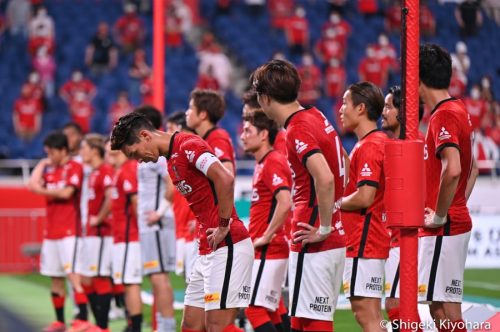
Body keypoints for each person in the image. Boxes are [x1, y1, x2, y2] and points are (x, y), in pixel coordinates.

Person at [110, 112, 253, 332]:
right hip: (206, 248)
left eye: (135, 153)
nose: (139, 161)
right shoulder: (170, 160)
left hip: (228, 245)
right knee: (190, 326)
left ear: (145, 135)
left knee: (217, 327)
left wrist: (224, 225)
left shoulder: (189, 145)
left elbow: (225, 178)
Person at [252, 59, 347, 332]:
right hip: (324, 235)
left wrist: (324, 227)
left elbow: (326, 177)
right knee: (300, 321)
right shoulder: (316, 115)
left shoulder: (297, 128)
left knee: (314, 322)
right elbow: (344, 161)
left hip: (314, 237)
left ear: (266, 98)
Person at [418, 43, 478, 331]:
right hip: (454, 221)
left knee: (441, 309)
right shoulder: (459, 109)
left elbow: (453, 168)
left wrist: (442, 214)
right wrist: (457, 205)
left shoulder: (443, 114)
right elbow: (474, 169)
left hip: (445, 226)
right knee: (446, 308)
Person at [338, 82, 390, 332]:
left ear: (360, 108)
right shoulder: (370, 142)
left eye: (345, 103)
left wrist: (334, 205)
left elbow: (365, 196)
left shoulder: (371, 145)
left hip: (364, 240)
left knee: (365, 313)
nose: (340, 109)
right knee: (371, 313)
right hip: (367, 238)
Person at [28, 131, 90, 332]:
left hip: (69, 231)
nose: (50, 156)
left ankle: (82, 319)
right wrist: (42, 163)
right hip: (51, 232)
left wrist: (43, 191)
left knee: (73, 275)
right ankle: (60, 321)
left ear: (63, 150)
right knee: (55, 277)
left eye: (52, 152)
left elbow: (66, 193)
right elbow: (31, 184)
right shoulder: (50, 169)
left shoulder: (74, 167)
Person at [240, 111, 292, 332]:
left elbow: (285, 201)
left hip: (269, 248)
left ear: (263, 135)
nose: (242, 136)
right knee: (272, 308)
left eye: (247, 131)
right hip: (269, 248)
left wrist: (266, 235)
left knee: (253, 309)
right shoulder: (263, 163)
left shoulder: (272, 162)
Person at [380, 85, 425, 331]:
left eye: (388, 106)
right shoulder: (402, 143)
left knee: (397, 305)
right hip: (396, 237)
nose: (383, 112)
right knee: (400, 306)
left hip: (408, 238)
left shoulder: (414, 145)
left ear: (403, 111)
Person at [134, 106, 176, 332]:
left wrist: (159, 213)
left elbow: (172, 184)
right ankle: (163, 323)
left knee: (159, 276)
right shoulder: (149, 150)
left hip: (157, 223)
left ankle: (167, 326)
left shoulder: (157, 154)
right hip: (150, 224)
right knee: (155, 275)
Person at [106, 140, 143, 332]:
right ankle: (131, 323)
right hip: (122, 236)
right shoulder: (119, 171)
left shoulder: (128, 169)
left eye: (111, 153)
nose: (109, 157)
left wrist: (140, 232)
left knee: (131, 282)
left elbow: (135, 202)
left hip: (130, 236)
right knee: (126, 282)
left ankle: (135, 326)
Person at [79, 134, 114, 332]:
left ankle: (103, 326)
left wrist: (99, 218)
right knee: (87, 278)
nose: (81, 152)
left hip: (102, 233)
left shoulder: (105, 171)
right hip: (92, 233)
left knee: (100, 277)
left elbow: (110, 196)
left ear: (94, 150)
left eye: (84, 148)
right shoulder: (93, 172)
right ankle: (98, 323)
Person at [165, 112, 198, 282]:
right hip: (182, 223)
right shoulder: (177, 156)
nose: (167, 134)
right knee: (189, 280)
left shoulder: (190, 153)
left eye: (171, 129)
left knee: (195, 281)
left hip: (192, 225)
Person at [185, 89, 236, 175]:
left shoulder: (217, 137)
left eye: (191, 108)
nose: (187, 113)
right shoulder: (208, 137)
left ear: (203, 114)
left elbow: (227, 174)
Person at [242, 90, 286, 155]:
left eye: (248, 117)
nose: (245, 122)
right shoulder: (261, 151)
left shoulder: (282, 145)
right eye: (245, 118)